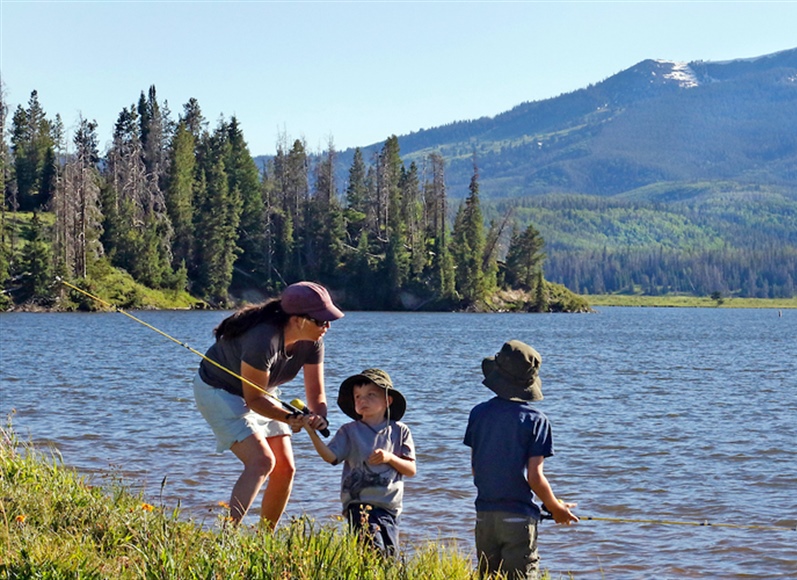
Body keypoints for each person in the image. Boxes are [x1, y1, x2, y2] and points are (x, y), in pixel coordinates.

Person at [192, 281, 344, 528]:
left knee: (286, 469)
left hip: (262, 392)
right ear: (297, 319)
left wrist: (319, 417)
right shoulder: (263, 339)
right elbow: (254, 400)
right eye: (320, 320)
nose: (327, 326)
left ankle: (264, 540)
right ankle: (226, 538)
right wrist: (288, 418)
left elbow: (316, 396)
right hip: (219, 392)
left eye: (329, 320)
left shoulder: (313, 341)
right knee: (262, 462)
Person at [464, 340, 578, 580]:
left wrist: (551, 504)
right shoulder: (537, 420)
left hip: (484, 515)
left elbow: (477, 470)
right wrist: (556, 508)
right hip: (517, 519)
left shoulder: (478, 413)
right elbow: (535, 477)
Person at [302, 368, 416, 556]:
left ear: (388, 400)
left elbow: (411, 470)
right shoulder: (349, 431)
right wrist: (311, 433)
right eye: (357, 397)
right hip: (359, 505)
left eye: (371, 395)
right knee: (372, 551)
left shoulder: (400, 431)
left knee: (390, 557)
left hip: (390, 507)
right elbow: (330, 456)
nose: (363, 400)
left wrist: (390, 458)